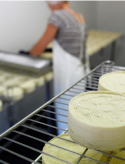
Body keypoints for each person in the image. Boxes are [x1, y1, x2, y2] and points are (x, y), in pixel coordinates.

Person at [30, 0, 88, 134]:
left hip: (67, 75)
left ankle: (66, 150)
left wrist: (30, 53)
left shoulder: (57, 16)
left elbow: (39, 48)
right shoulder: (79, 16)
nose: (48, 6)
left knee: (65, 115)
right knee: (77, 112)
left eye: (48, 3)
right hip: (80, 71)